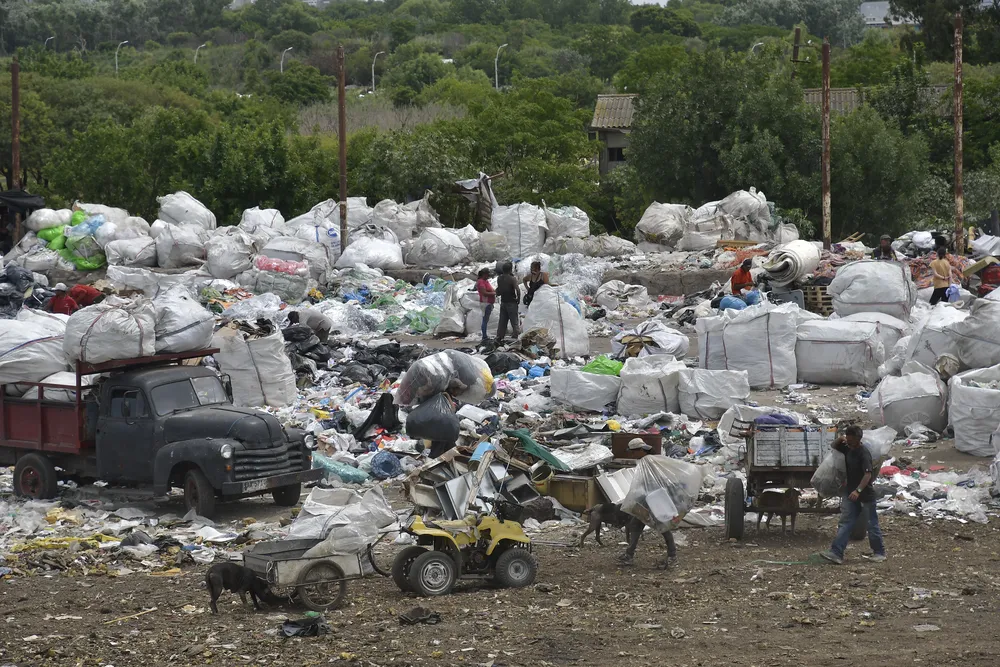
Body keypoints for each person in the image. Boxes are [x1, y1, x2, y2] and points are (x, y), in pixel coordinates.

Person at [820, 425, 886, 565]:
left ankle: (879, 552)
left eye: (851, 440)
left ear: (858, 439)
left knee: (871, 524)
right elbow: (833, 445)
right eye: (847, 440)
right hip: (850, 493)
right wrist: (840, 439)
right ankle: (836, 553)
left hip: (865, 494)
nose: (849, 443)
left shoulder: (864, 453)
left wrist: (858, 491)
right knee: (846, 522)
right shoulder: (848, 448)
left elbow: (867, 475)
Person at [495, 262, 521, 343]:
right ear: (510, 270)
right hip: (511, 302)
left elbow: (499, 290)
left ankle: (499, 337)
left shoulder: (499, 278)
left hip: (503, 302)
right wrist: (518, 299)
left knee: (502, 321)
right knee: (514, 321)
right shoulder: (512, 279)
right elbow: (517, 290)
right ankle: (516, 336)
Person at [475, 268, 495, 342]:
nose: (488, 276)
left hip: (488, 303)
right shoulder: (481, 282)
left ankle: (485, 335)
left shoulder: (485, 281)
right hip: (485, 303)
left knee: (486, 319)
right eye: (487, 274)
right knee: (485, 320)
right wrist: (494, 293)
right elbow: (484, 293)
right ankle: (484, 336)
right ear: (484, 274)